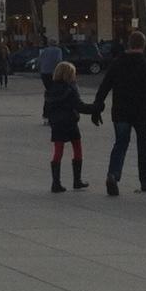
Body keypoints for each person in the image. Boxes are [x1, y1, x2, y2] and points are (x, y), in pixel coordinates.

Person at [93, 30, 146, 196]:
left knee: (120, 144)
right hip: (141, 112)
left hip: (121, 111)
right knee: (143, 145)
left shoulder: (117, 63)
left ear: (129, 44)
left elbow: (105, 86)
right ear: (143, 45)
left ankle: (113, 175)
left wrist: (97, 105)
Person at [43, 60, 95, 192]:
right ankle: (77, 180)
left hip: (56, 123)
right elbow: (79, 106)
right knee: (77, 147)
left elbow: (47, 109)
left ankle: (56, 183)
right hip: (70, 121)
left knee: (58, 150)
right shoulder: (70, 89)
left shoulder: (50, 89)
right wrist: (95, 108)